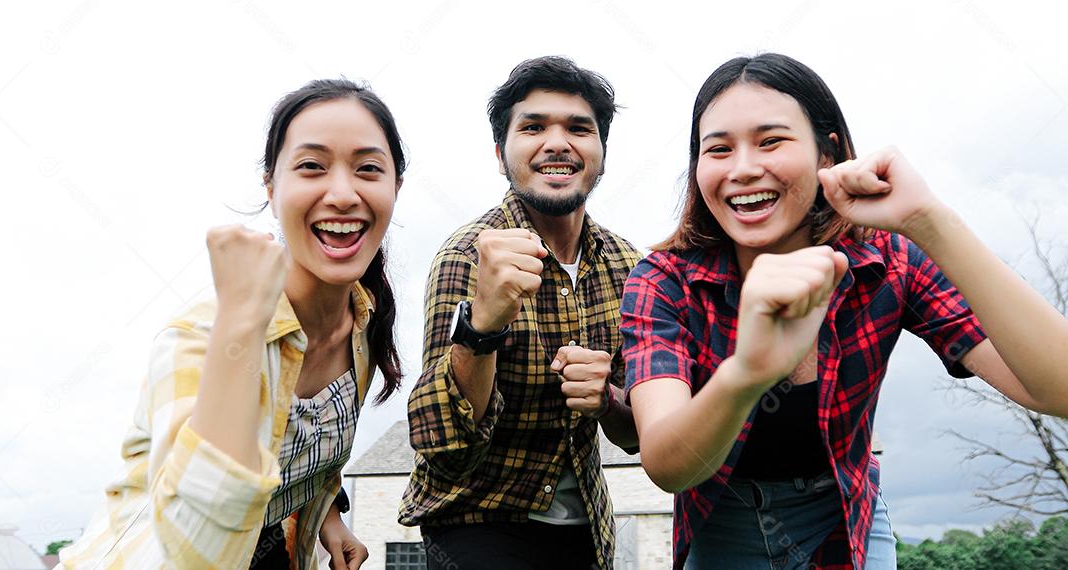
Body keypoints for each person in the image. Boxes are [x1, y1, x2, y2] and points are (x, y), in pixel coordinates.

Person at [620, 53, 1068, 570]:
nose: (742, 169)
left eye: (771, 141)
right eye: (718, 149)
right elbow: (668, 466)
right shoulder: (664, 280)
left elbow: (1057, 389)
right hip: (722, 521)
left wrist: (929, 221)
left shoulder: (889, 260)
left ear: (826, 153)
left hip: (846, 510)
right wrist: (746, 374)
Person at [59, 79, 406, 570]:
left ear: (396, 187)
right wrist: (242, 323)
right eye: (312, 166)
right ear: (272, 187)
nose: (343, 194)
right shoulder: (201, 336)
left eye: (368, 168)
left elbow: (304, 442)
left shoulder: (362, 322)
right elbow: (196, 549)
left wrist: (328, 515)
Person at [398, 56, 641, 570]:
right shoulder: (467, 255)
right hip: (476, 520)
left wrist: (607, 401)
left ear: (601, 154)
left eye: (579, 128)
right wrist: (482, 324)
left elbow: (636, 434)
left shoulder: (628, 266)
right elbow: (444, 445)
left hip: (586, 531)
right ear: (500, 154)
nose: (557, 143)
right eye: (533, 127)